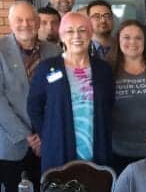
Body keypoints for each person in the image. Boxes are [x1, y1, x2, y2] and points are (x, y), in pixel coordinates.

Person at [0, 2, 59, 192]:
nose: (25, 24)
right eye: (19, 20)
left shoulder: (54, 51)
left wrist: (44, 133)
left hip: (47, 140)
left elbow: (57, 96)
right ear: (10, 23)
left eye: (31, 19)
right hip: (12, 141)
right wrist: (27, 135)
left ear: (38, 22)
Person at [28, 12, 114, 173]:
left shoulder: (103, 69)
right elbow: (34, 107)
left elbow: (110, 105)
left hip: (97, 147)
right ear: (61, 36)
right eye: (70, 31)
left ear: (90, 34)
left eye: (82, 30)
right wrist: (49, 134)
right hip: (59, 149)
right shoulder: (47, 68)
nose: (77, 36)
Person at [110, 20, 146, 173]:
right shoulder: (107, 69)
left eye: (138, 38)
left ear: (145, 42)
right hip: (118, 151)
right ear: (118, 40)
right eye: (126, 37)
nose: (132, 42)